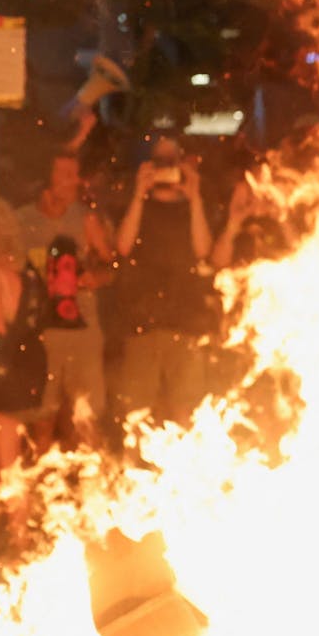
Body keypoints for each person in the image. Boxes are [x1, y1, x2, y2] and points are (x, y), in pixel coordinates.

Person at [112, 135, 222, 425]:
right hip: (141, 320)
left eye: (171, 161)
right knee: (137, 412)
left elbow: (204, 252)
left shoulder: (194, 206)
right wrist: (139, 194)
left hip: (185, 320)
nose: (165, 168)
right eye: (159, 161)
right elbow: (122, 247)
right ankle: (131, 470)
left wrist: (194, 196)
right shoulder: (137, 204)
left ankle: (187, 467)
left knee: (185, 410)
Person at [15, 152, 113, 448]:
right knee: (42, 417)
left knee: (86, 417)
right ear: (46, 180)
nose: (74, 181)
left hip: (82, 332)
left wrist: (96, 278)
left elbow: (111, 265)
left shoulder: (85, 219)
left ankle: (95, 486)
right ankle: (41, 482)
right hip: (41, 335)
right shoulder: (21, 222)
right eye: (65, 174)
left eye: (76, 173)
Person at [0, 196, 48, 485]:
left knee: (8, 471)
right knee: (16, 462)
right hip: (34, 363)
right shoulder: (27, 270)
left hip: (7, 371)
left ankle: (18, 531)